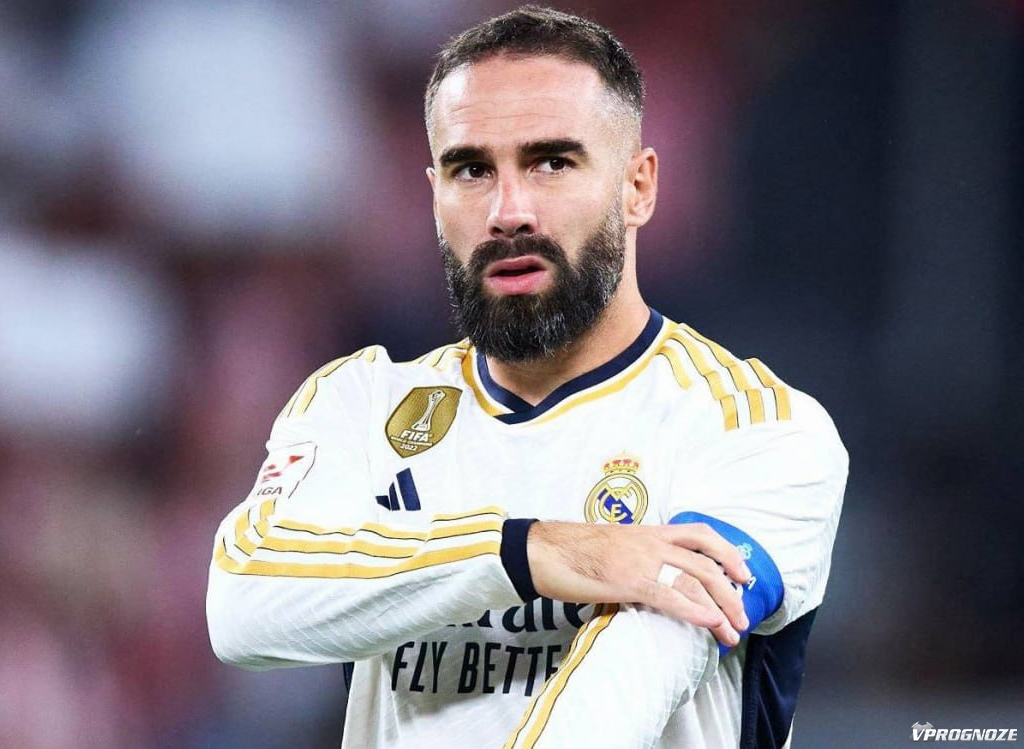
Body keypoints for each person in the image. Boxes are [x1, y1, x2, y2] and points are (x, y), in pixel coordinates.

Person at [206, 6, 847, 748]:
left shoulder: (757, 427)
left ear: (638, 186)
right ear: (434, 195)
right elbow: (243, 607)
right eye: (472, 170)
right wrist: (538, 552)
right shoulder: (360, 404)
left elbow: (638, 671)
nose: (508, 211)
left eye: (552, 163)